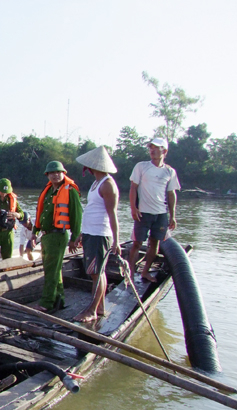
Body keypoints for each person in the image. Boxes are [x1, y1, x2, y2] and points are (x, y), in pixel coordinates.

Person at [71, 146, 121, 323]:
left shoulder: (107, 185)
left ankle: (92, 310)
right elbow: (92, 210)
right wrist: (81, 234)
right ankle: (99, 307)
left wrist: (116, 240)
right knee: (96, 273)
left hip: (100, 235)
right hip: (91, 233)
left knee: (96, 273)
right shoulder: (96, 183)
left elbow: (112, 214)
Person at [31, 161, 82, 313]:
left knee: (51, 271)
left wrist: (74, 238)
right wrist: (35, 231)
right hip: (46, 236)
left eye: (58, 172)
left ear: (64, 173)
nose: (55, 175)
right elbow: (41, 213)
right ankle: (59, 299)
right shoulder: (47, 191)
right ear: (47, 175)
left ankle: (46, 303)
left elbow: (76, 215)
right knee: (53, 270)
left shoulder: (70, 191)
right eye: (52, 173)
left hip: (58, 236)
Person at [128, 138, 180, 282]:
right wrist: (134, 208)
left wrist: (172, 216)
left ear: (164, 151)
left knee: (155, 243)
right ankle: (130, 274)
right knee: (137, 243)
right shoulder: (141, 167)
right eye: (151, 147)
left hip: (161, 213)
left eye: (156, 148)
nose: (152, 150)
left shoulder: (169, 171)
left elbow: (171, 194)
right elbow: (133, 188)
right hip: (143, 212)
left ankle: (145, 272)